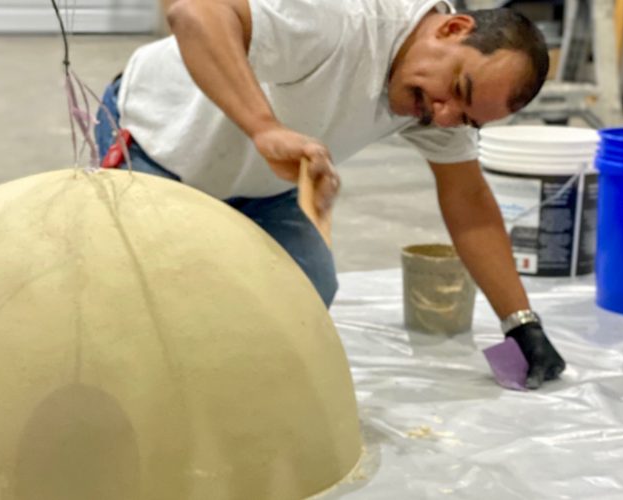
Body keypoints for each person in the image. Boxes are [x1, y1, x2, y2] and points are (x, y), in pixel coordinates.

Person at [92, 0, 565, 389]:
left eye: (465, 118)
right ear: (452, 29)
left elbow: (470, 204)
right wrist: (264, 127)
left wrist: (521, 323)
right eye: (457, 89)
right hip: (158, 142)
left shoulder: (435, 100)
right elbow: (194, 12)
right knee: (156, 300)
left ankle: (230, 399)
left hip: (264, 180)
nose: (444, 116)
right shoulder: (340, 18)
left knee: (307, 286)